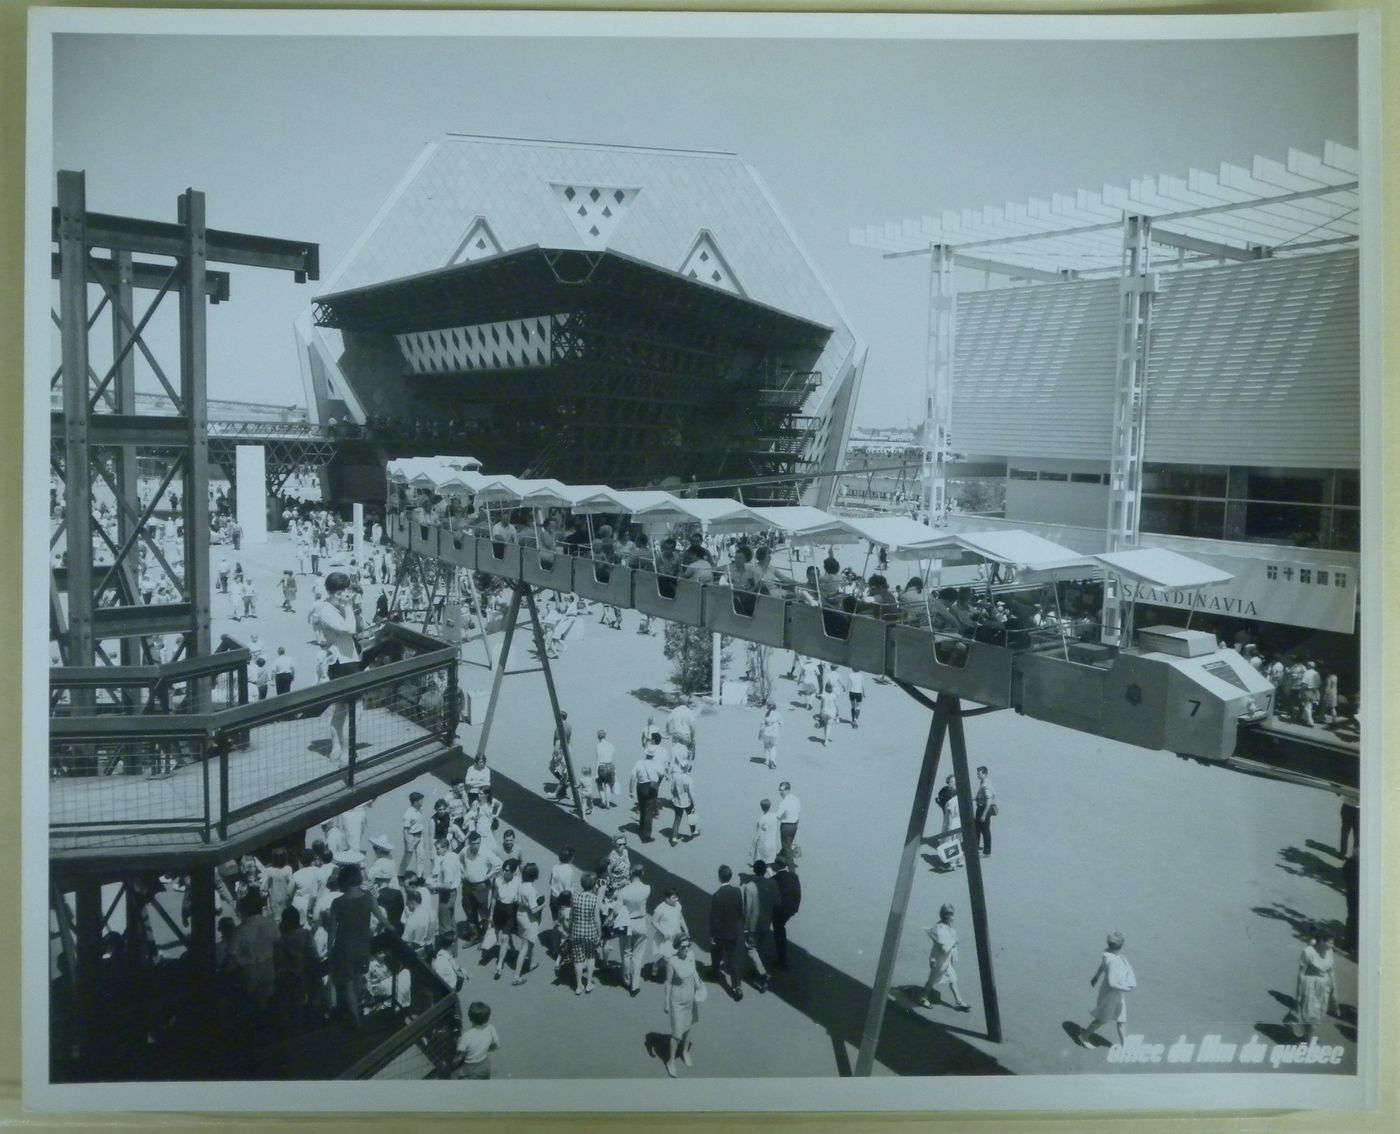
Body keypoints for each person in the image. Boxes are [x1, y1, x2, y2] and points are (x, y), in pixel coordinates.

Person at [327, 862, 392, 1026]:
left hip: (344, 946)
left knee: (347, 983)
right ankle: (357, 1010)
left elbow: (332, 932)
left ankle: (355, 1018)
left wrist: (329, 952)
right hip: (363, 946)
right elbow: (382, 919)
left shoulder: (337, 903)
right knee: (357, 979)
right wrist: (393, 928)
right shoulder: (368, 897)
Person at [313, 571, 363, 764]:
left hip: (347, 659)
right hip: (343, 662)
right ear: (330, 591)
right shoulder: (325, 610)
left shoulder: (336, 607)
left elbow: (356, 627)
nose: (343, 596)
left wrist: (353, 608)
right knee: (353, 709)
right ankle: (345, 752)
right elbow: (347, 629)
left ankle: (337, 749)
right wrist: (349, 607)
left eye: (345, 591)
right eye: (339, 592)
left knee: (342, 708)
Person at [1078, 931, 1136, 1047]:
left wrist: (1096, 977)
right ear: (1121, 946)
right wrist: (1126, 988)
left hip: (1114, 993)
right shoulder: (1114, 961)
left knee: (1122, 1019)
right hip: (1111, 994)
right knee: (1103, 1018)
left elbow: (1102, 967)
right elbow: (1112, 982)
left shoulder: (1107, 955)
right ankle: (1083, 1036)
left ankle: (1125, 1046)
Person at [661, 935, 705, 1077]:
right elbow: (668, 983)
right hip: (677, 1002)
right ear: (677, 947)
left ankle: (684, 1052)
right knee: (676, 1034)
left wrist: (698, 982)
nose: (686, 949)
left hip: (690, 999)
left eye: (688, 946)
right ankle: (671, 1061)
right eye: (683, 947)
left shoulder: (691, 955)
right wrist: (666, 1003)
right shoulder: (672, 962)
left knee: (688, 1027)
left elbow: (694, 971)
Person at [918, 903, 970, 1011]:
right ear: (947, 916)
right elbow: (944, 949)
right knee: (932, 981)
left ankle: (959, 1001)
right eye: (951, 915)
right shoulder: (940, 929)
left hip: (945, 960)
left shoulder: (946, 925)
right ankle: (923, 998)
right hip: (939, 961)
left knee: (952, 979)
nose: (953, 917)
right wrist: (954, 943)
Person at [708, 865, 748, 1000]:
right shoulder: (737, 891)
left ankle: (714, 973)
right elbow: (740, 912)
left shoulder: (717, 896)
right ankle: (737, 986)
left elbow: (715, 918)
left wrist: (713, 935)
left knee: (716, 953)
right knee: (733, 958)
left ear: (719, 877)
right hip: (733, 931)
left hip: (720, 933)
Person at [1292, 927, 1339, 1041]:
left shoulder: (1329, 952)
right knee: (1312, 1018)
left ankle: (1306, 1034)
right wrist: (1299, 994)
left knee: (1318, 1016)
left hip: (1324, 987)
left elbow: (1331, 972)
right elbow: (1301, 974)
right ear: (1321, 941)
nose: (1332, 946)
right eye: (1329, 942)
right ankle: (1308, 1043)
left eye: (1333, 943)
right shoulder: (1308, 952)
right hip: (1310, 985)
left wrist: (1334, 992)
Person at [617, 864, 653, 996]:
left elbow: (616, 910)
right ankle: (635, 985)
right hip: (640, 922)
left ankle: (626, 978)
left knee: (626, 952)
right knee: (638, 955)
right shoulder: (647, 888)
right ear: (642, 873)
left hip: (627, 922)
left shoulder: (624, 891)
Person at [741, 861, 777, 991]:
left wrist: (745, 927)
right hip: (766, 922)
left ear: (754, 871)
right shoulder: (772, 883)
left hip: (753, 925)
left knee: (751, 948)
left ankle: (762, 973)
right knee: (758, 946)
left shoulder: (749, 887)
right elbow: (777, 901)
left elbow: (747, 909)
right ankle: (757, 967)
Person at [566, 873, 603, 995]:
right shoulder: (595, 899)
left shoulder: (575, 897)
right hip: (590, 932)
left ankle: (578, 985)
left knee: (578, 959)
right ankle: (589, 983)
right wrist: (599, 933)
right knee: (591, 956)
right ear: (593, 886)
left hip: (576, 932)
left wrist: (570, 930)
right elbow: (597, 919)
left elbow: (571, 917)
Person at [488, 858, 524, 981]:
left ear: (514, 872)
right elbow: (493, 898)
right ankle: (507, 950)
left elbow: (520, 899)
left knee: (504, 937)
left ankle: (499, 965)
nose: (505, 872)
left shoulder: (518, 882)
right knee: (496, 935)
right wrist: (491, 914)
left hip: (510, 911)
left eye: (508, 870)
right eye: (504, 869)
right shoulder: (497, 880)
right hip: (499, 909)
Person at [512, 862, 545, 985]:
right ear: (534, 876)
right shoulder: (531, 890)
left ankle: (531, 963)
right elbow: (534, 909)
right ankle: (516, 976)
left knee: (529, 941)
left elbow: (516, 900)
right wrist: (543, 904)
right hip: (528, 918)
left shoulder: (521, 886)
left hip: (520, 914)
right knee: (525, 946)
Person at [629, 737, 664, 843]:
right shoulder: (656, 763)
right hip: (652, 787)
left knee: (642, 808)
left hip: (640, 787)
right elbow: (662, 774)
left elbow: (633, 777)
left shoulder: (639, 762)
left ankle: (641, 829)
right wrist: (658, 784)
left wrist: (630, 791)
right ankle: (646, 835)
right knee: (649, 811)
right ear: (653, 755)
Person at [770, 854, 802, 969]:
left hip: (779, 911)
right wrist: (796, 908)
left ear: (777, 866)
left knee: (779, 930)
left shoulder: (774, 879)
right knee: (781, 927)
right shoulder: (794, 876)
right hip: (791, 908)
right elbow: (798, 893)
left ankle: (782, 959)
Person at [455, 1001, 501, 1080]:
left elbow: (459, 1058)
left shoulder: (466, 1036)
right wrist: (484, 1049)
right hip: (485, 1065)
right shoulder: (491, 1028)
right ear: (487, 1018)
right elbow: (497, 1046)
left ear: (469, 1017)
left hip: (470, 1069)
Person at [665, 758, 697, 847]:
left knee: (677, 819)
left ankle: (674, 838)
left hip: (677, 802)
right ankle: (693, 831)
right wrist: (693, 803)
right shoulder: (688, 779)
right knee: (691, 816)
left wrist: (674, 797)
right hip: (687, 801)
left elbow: (672, 789)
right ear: (687, 768)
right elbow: (690, 793)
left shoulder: (675, 778)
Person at [400, 792, 428, 883]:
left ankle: (420, 878)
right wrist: (409, 844)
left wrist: (422, 838)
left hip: (420, 835)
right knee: (407, 857)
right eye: (421, 800)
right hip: (411, 836)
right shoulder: (408, 814)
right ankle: (400, 875)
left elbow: (420, 824)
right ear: (415, 802)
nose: (422, 801)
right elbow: (405, 830)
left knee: (421, 857)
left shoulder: (421, 809)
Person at [775, 782, 801, 868]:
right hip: (795, 825)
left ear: (787, 790)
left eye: (782, 790)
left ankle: (792, 870)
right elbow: (798, 811)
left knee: (787, 848)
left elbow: (778, 816)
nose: (781, 792)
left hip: (786, 827)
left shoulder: (784, 802)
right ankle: (779, 859)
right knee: (787, 844)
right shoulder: (796, 799)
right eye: (780, 790)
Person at [973, 765, 997, 857]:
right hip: (981, 807)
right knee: (978, 828)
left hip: (983, 809)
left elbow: (989, 800)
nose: (977, 775)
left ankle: (987, 852)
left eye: (979, 774)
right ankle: (976, 847)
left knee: (985, 830)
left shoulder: (985, 785)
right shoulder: (984, 782)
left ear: (985, 774)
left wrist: (983, 814)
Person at [751, 798, 780, 867]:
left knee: (762, 867)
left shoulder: (761, 819)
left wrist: (751, 848)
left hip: (763, 848)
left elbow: (757, 836)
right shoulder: (774, 816)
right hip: (772, 846)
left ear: (761, 807)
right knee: (769, 865)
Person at [593, 729, 618, 808]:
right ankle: (608, 803)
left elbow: (598, 760)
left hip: (602, 767)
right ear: (605, 736)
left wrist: (596, 773)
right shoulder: (611, 745)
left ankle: (603, 800)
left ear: (598, 737)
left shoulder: (598, 746)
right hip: (610, 766)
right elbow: (613, 758)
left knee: (599, 784)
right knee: (607, 785)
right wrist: (615, 770)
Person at [758, 702, 783, 770]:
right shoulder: (778, 714)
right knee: (773, 747)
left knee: (766, 747)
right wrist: (776, 724)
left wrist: (760, 733)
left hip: (766, 733)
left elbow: (762, 724)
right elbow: (781, 723)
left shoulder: (766, 714)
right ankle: (773, 760)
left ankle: (766, 760)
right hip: (774, 734)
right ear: (775, 707)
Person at [817, 682, 838, 746]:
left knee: (825, 724)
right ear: (831, 689)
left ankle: (825, 738)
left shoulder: (823, 695)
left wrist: (820, 714)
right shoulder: (834, 695)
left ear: (825, 688)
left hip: (824, 711)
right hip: (832, 712)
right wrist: (837, 714)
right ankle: (826, 740)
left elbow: (821, 706)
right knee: (829, 726)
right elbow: (836, 705)